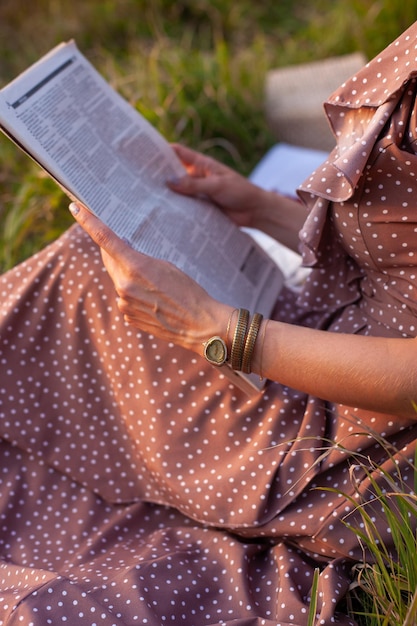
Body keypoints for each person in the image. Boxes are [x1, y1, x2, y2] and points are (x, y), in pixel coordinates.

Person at [1, 20, 417, 626]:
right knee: (88, 260)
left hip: (364, 438)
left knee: (96, 296)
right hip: (332, 329)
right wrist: (263, 209)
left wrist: (213, 329)